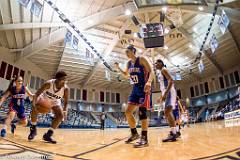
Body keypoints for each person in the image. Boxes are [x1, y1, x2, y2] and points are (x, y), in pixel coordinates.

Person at [115, 45, 154, 148]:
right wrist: (118, 68)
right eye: (125, 52)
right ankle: (134, 134)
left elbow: (151, 71)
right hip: (135, 88)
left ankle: (144, 138)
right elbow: (126, 74)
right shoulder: (129, 63)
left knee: (142, 112)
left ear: (133, 51)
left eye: (127, 51)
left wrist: (149, 82)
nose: (126, 53)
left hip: (144, 88)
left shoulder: (141, 59)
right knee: (127, 112)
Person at [28, 71, 69, 144]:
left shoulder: (66, 89)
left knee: (60, 116)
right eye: (64, 80)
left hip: (55, 102)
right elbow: (37, 93)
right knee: (34, 109)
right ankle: (33, 129)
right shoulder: (49, 84)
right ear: (58, 79)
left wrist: (65, 112)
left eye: (66, 80)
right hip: (44, 99)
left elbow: (66, 102)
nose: (65, 82)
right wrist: (33, 104)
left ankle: (48, 135)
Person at [155, 59, 177, 142]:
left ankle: (173, 133)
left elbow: (171, 80)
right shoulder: (160, 72)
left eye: (156, 63)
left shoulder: (164, 69)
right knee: (167, 112)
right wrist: (161, 97)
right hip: (167, 92)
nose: (155, 64)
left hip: (169, 92)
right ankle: (175, 132)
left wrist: (165, 94)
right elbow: (163, 87)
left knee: (167, 112)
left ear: (161, 63)